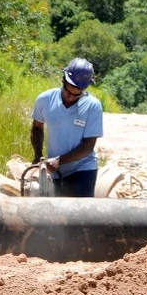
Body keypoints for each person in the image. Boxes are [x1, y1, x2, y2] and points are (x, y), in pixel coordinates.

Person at [30, 58, 104, 197]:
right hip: (54, 171)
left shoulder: (93, 106)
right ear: (62, 80)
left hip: (83, 168)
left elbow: (88, 147)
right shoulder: (45, 99)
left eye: (76, 94)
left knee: (80, 214)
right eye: (67, 92)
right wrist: (38, 154)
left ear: (84, 88)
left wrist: (59, 161)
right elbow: (37, 127)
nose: (70, 97)